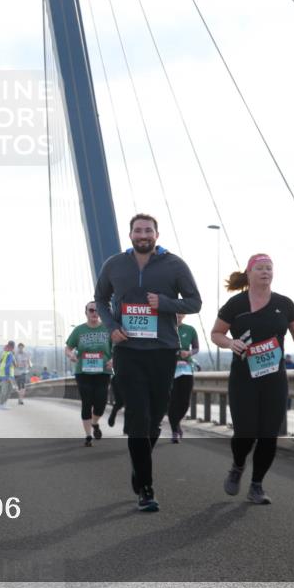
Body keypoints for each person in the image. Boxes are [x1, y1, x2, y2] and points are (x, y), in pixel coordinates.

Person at [94, 213, 202, 512]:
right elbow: (101, 299)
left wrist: (165, 303)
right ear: (130, 235)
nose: (143, 235)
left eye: (148, 230)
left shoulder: (174, 265)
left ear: (156, 234)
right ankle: (146, 487)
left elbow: (195, 302)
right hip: (128, 351)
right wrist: (111, 326)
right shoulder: (114, 264)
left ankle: (138, 467)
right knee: (138, 419)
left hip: (163, 351)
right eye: (138, 230)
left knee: (154, 419)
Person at [211, 253, 294, 505]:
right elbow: (216, 333)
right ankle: (237, 467)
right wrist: (229, 342)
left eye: (269, 268)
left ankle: (256, 485)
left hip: (274, 379)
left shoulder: (284, 303)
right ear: (249, 273)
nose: (265, 272)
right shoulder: (235, 305)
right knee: (245, 433)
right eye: (260, 268)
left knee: (269, 435)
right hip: (243, 379)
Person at [65, 302, 112, 446]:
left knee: (101, 404)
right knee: (87, 402)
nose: (94, 313)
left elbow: (118, 348)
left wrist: (113, 360)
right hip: (83, 372)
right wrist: (71, 354)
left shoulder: (108, 328)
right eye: (91, 310)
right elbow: (68, 348)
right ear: (86, 312)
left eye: (97, 310)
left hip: (103, 371)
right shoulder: (79, 330)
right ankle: (88, 436)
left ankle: (94, 422)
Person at [167, 314, 200, 443]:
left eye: (181, 312)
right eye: (175, 312)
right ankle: (174, 431)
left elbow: (196, 348)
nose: (178, 315)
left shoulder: (190, 329)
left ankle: (177, 423)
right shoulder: (165, 328)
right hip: (170, 369)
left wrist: (189, 353)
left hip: (186, 369)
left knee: (185, 402)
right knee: (173, 402)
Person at [0, 341, 16, 409]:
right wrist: (7, 375)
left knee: (8, 389)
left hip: (4, 374)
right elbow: (8, 364)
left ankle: (3, 404)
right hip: (7, 374)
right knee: (6, 390)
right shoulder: (9, 354)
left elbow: (1, 362)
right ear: (13, 347)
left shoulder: (5, 353)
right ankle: (2, 404)